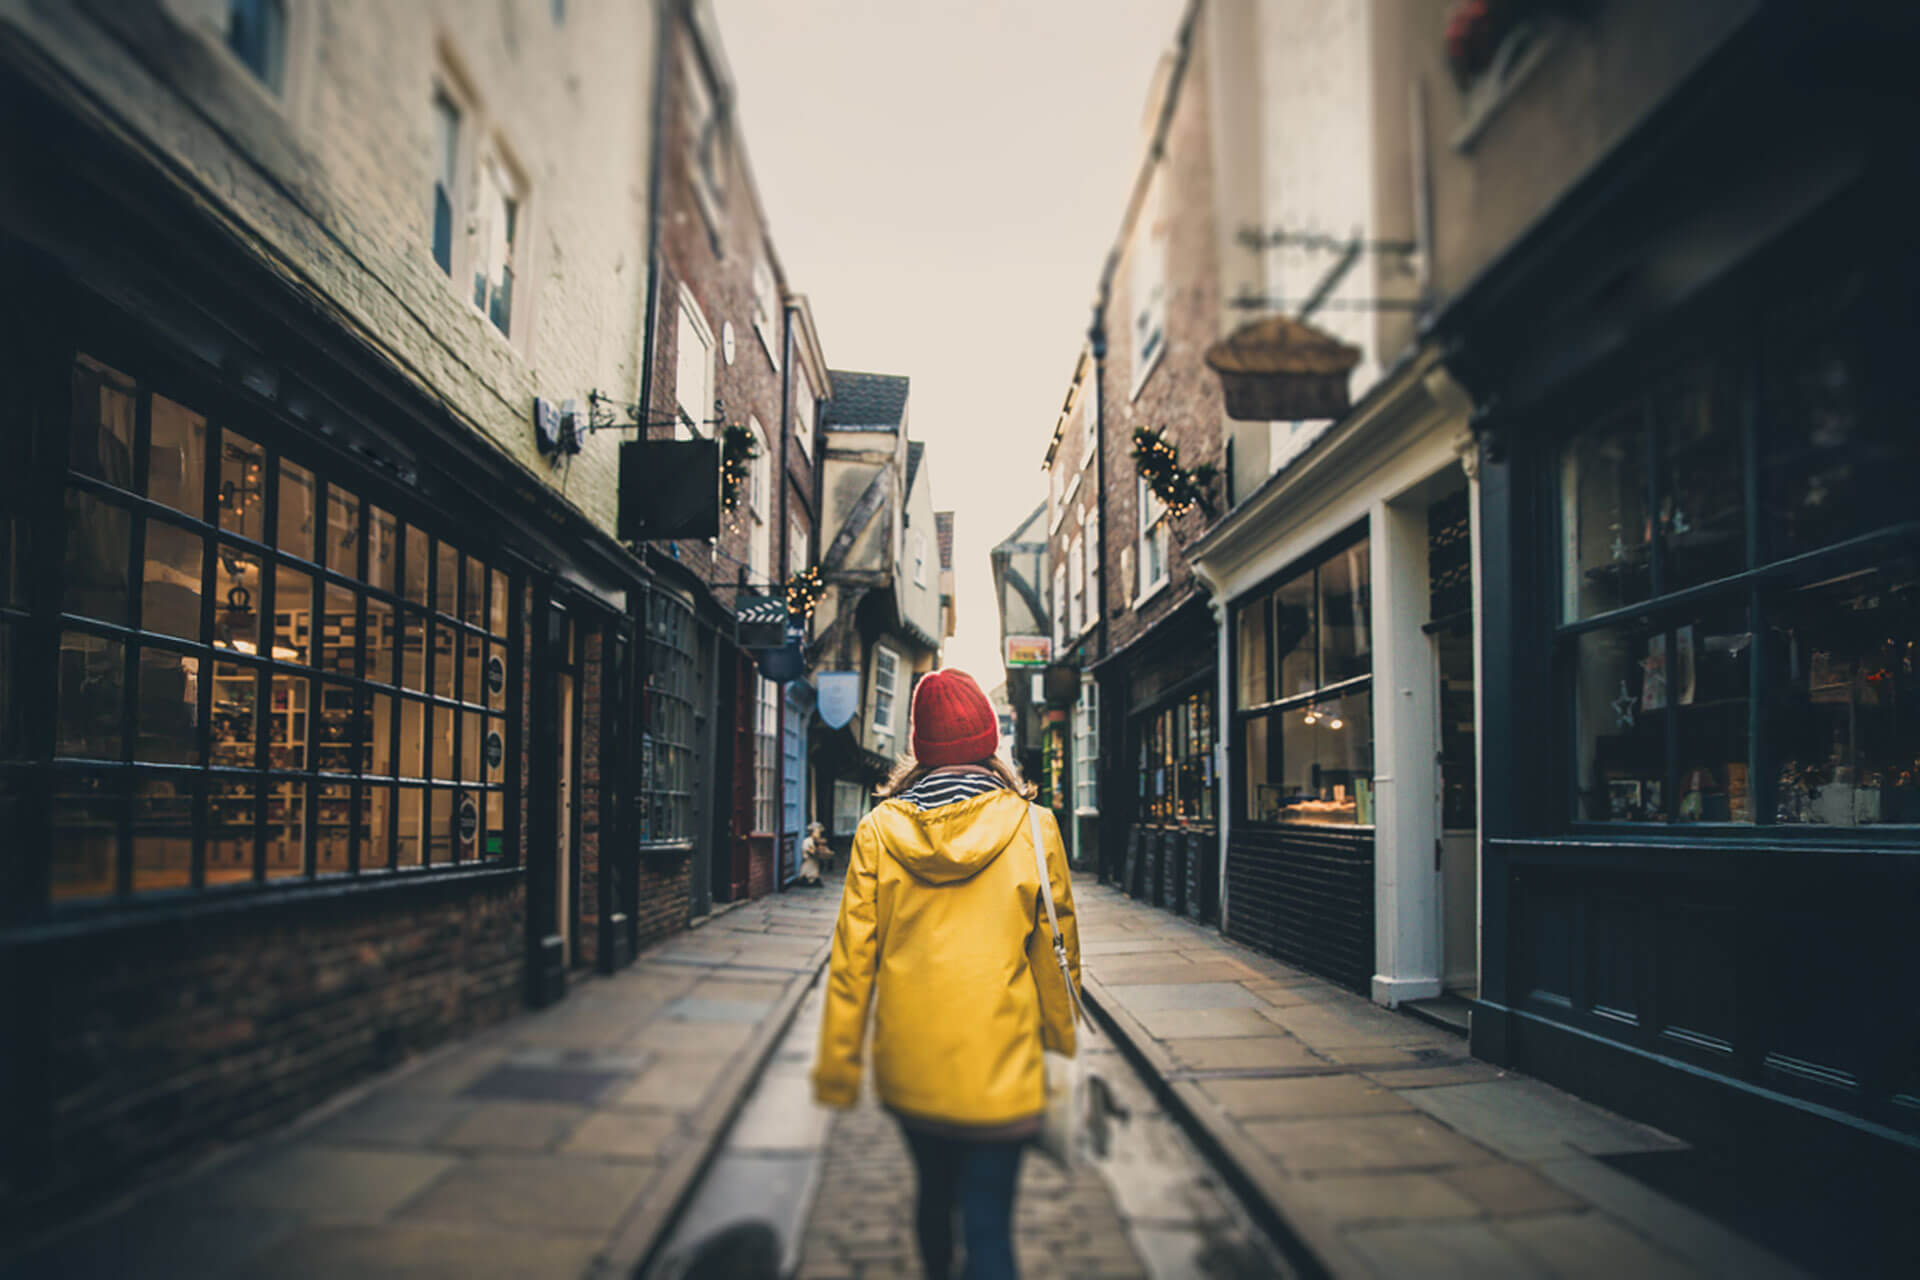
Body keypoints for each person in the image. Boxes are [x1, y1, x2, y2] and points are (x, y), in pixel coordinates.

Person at [812, 668, 1079, 1280]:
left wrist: (838, 1069)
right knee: (990, 1226)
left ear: (921, 749)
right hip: (1005, 1069)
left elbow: (852, 962)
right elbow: (1058, 954)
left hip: (915, 1069)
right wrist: (1060, 1047)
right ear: (988, 740)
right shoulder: (1034, 828)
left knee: (934, 1200)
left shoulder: (879, 831)